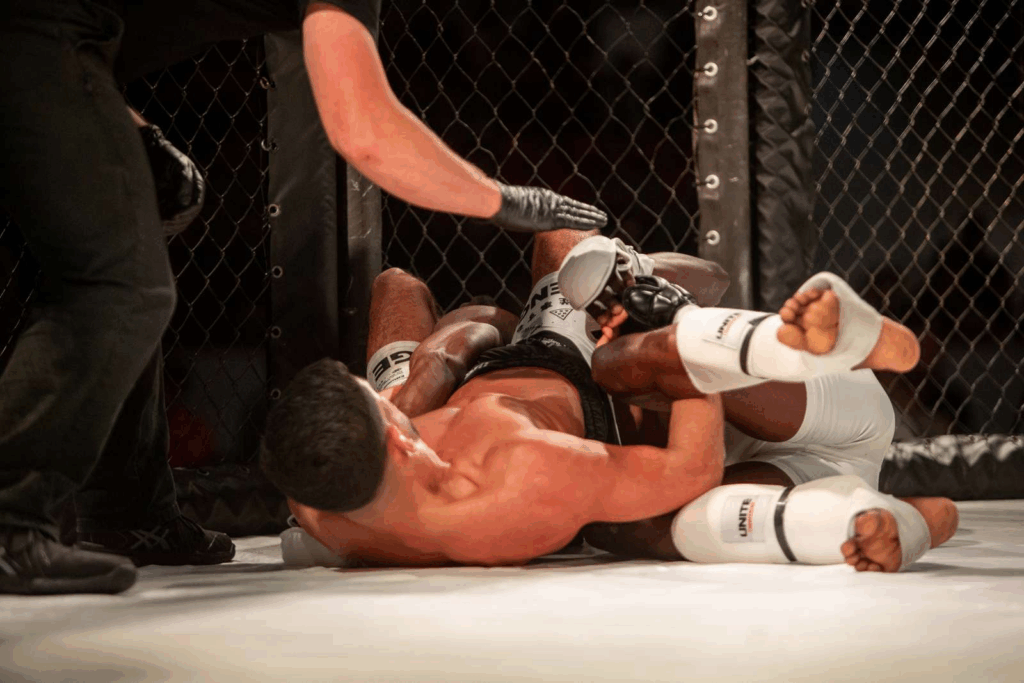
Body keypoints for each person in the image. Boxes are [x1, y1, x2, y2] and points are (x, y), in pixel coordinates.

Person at [0, 0, 605, 595]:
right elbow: (366, 134)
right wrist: (505, 200)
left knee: (138, 240)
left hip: (56, 45)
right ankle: (11, 523)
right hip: (35, 37)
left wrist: (125, 124)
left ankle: (127, 514)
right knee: (120, 286)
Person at [261, 230, 958, 572]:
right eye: (387, 409)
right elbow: (692, 468)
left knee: (640, 525)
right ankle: (870, 503)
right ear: (397, 438)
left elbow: (426, 303)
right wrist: (671, 335)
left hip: (782, 420)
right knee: (632, 370)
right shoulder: (521, 470)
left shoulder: (329, 510)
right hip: (767, 423)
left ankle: (901, 517)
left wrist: (417, 381)